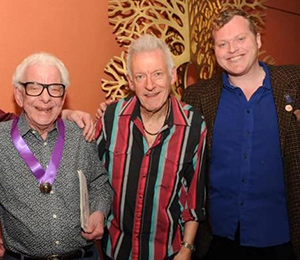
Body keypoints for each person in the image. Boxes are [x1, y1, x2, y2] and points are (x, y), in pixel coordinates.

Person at [182, 8, 300, 260]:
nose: (232, 49)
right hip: (217, 241)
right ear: (214, 51)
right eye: (222, 43)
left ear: (257, 40)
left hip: (283, 239)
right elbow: (160, 118)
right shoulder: (198, 97)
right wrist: (79, 114)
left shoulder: (294, 84)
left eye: (240, 39)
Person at [95, 34, 207, 260]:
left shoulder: (194, 125)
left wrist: (186, 248)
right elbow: (92, 177)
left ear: (172, 75)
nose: (149, 85)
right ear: (130, 81)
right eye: (140, 76)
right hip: (115, 250)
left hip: (168, 252)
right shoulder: (110, 118)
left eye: (157, 74)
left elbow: (194, 195)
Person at [0, 52, 113, 259]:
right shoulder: (1, 141)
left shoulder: (81, 134)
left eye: (55, 89)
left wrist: (99, 211)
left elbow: (99, 182)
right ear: (19, 95)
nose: (46, 98)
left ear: (63, 97)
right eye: (34, 88)